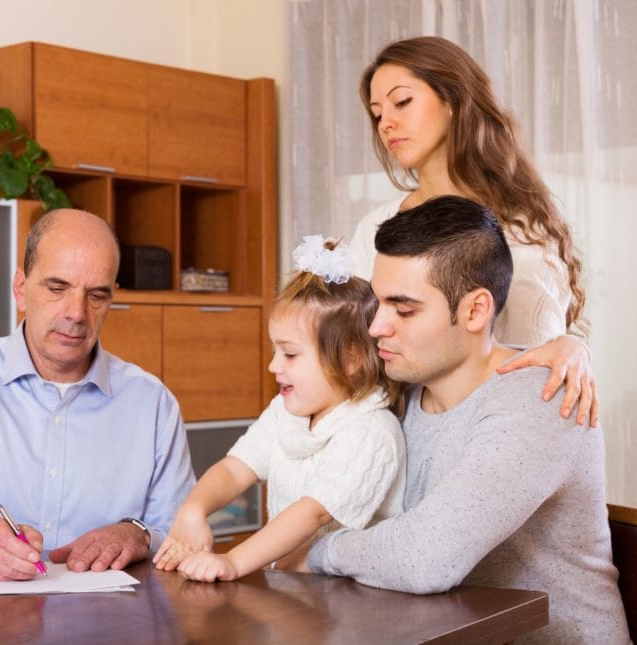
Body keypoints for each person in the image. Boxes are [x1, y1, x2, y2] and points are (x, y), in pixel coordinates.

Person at [307, 196, 627, 643]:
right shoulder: (403, 390)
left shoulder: (542, 398)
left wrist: (317, 551)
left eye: (404, 309)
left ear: (475, 310)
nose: (377, 326)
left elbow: (426, 557)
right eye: (377, 305)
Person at [0, 208, 195, 580]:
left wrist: (139, 534)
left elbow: (182, 532)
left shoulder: (152, 403)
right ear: (20, 289)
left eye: (96, 295)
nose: (77, 313)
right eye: (57, 288)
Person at [348, 35, 597, 426]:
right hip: (399, 434)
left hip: (501, 427)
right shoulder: (374, 228)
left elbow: (545, 341)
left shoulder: (519, 226)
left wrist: (574, 347)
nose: (386, 124)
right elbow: (351, 346)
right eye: (378, 113)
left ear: (452, 101)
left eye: (402, 102)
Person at [152, 236, 405, 582]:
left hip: (354, 605)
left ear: (350, 359)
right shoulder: (285, 412)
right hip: (297, 592)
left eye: (289, 353)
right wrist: (194, 510)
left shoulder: (371, 432)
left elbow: (311, 514)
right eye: (274, 351)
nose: (274, 366)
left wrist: (234, 562)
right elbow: (234, 469)